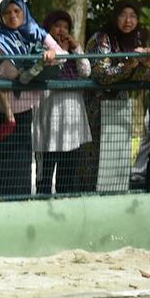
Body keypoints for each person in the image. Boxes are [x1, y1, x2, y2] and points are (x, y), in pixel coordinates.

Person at [0, 0, 62, 197]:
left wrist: (51, 54)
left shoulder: (37, 34)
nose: (12, 16)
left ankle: (20, 200)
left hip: (25, 111)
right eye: (7, 13)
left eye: (17, 12)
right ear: (0, 17)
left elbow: (60, 54)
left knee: (21, 162)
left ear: (24, 12)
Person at [87, 1, 150, 190]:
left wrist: (146, 64)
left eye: (133, 16)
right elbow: (102, 75)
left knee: (116, 160)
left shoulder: (137, 40)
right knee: (94, 160)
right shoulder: (101, 38)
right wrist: (131, 64)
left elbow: (140, 78)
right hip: (96, 106)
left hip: (120, 105)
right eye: (123, 15)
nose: (128, 20)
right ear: (114, 17)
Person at [34, 10, 93, 194]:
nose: (62, 30)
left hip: (72, 117)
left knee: (67, 174)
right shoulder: (43, 50)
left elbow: (86, 71)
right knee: (46, 171)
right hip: (49, 115)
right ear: (48, 29)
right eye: (57, 26)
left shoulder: (73, 50)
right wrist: (62, 51)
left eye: (66, 27)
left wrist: (76, 48)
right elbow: (52, 70)